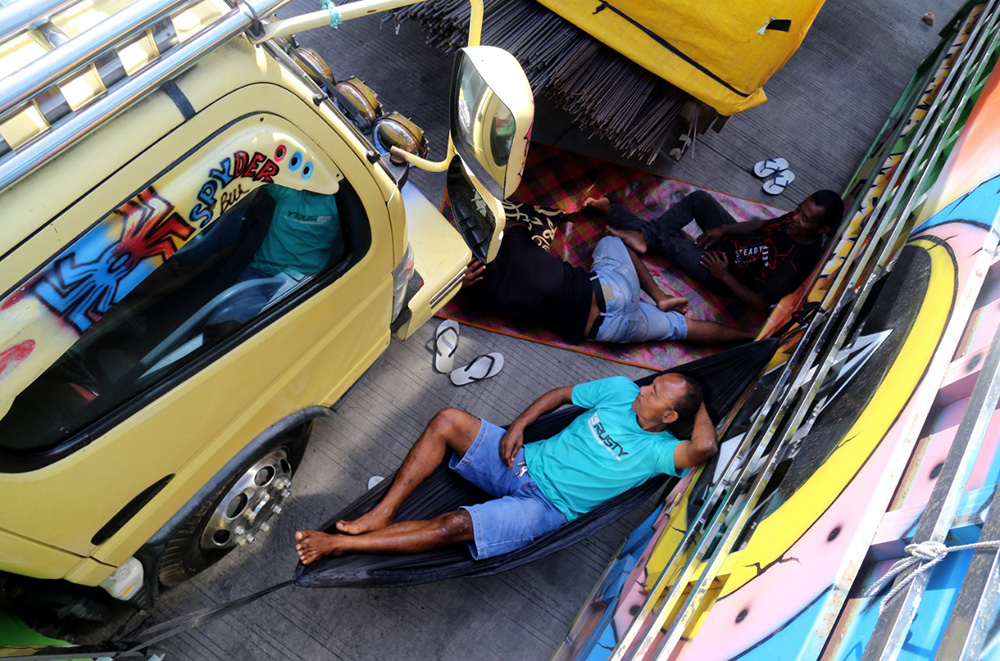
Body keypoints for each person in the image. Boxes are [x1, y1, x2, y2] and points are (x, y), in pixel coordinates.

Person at [295, 372, 717, 563]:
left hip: (546, 508)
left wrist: (704, 393)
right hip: (519, 462)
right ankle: (383, 511)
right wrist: (520, 423)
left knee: (453, 525)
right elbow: (561, 394)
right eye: (652, 382)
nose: (645, 388)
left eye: (657, 391)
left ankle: (340, 546)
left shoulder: (662, 451)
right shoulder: (620, 391)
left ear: (669, 417)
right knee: (448, 419)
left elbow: (705, 446)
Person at [462, 223, 755, 346]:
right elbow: (513, 225)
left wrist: (465, 284)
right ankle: (659, 294)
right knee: (611, 241)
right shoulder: (515, 243)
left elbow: (463, 292)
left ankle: (748, 338)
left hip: (605, 331)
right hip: (613, 292)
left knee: (680, 328)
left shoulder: (485, 297)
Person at [584, 189, 845, 310]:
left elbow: (761, 302)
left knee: (673, 244)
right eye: (798, 209)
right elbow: (763, 224)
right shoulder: (798, 218)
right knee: (700, 200)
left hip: (722, 272)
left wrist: (724, 276)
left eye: (805, 219)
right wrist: (724, 230)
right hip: (733, 244)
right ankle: (645, 235)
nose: (796, 218)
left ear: (822, 230)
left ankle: (614, 213)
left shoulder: (797, 262)